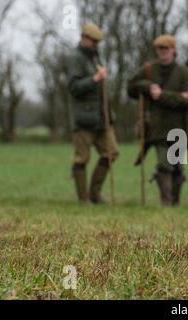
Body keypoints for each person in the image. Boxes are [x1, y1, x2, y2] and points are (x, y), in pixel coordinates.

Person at [127, 35, 188, 206]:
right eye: (159, 49)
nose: (162, 52)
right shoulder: (149, 69)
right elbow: (130, 86)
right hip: (157, 128)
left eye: (166, 49)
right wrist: (148, 86)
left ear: (173, 51)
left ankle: (175, 202)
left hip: (180, 128)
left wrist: (162, 95)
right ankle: (166, 202)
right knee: (164, 164)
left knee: (177, 166)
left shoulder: (184, 73)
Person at [67, 23, 119, 204]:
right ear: (84, 38)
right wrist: (95, 79)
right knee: (82, 157)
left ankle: (95, 194)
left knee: (111, 152)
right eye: (93, 41)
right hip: (84, 118)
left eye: (98, 42)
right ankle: (83, 200)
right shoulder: (76, 58)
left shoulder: (95, 57)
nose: (96, 44)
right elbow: (74, 87)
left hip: (101, 117)